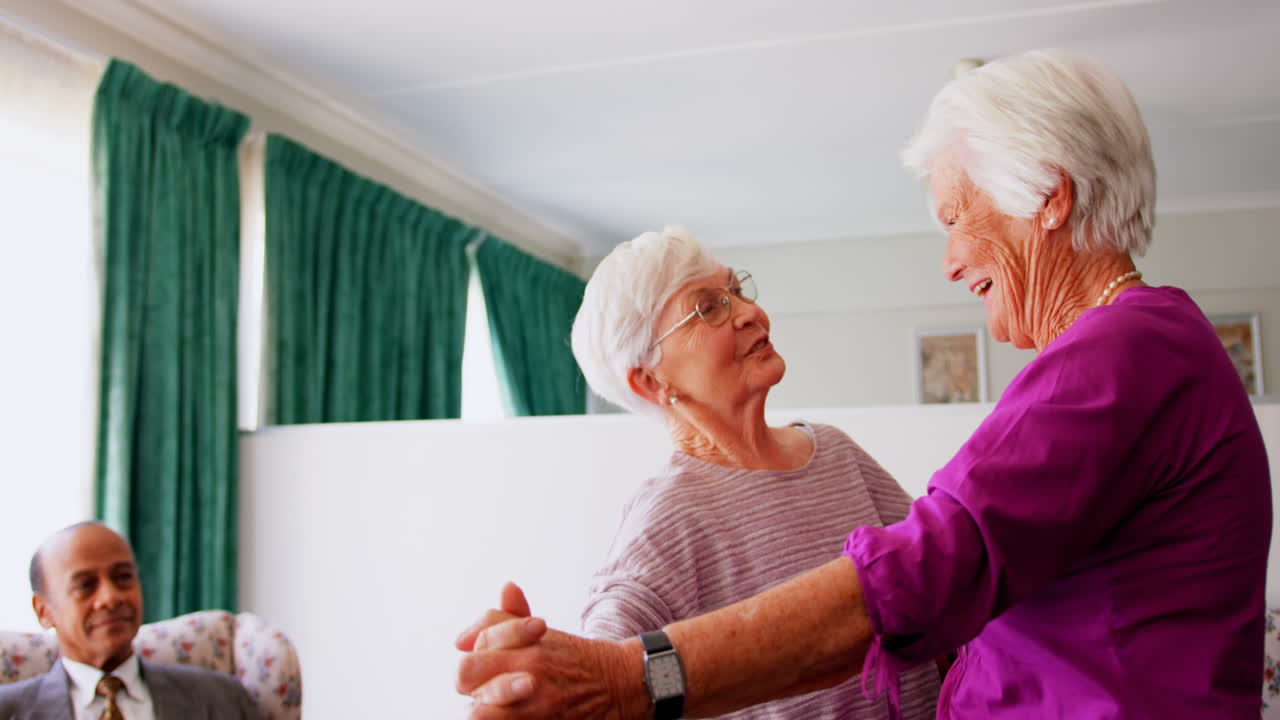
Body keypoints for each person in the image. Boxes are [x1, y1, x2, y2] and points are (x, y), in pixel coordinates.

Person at [453, 49, 1271, 719]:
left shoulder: (1121, 355)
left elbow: (925, 578)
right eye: (707, 308)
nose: (949, 261)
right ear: (648, 381)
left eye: (955, 217)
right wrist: (579, 673)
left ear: (1050, 198)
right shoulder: (1143, 347)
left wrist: (619, 681)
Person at [580, 226, 941, 717]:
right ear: (650, 380)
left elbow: (941, 583)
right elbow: (599, 670)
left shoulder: (836, 453)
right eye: (709, 308)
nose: (749, 312)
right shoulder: (668, 515)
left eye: (736, 290)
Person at [0, 521, 264, 719]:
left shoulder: (220, 698)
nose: (111, 597)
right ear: (43, 611)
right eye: (86, 585)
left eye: (123, 577)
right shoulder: (9, 710)